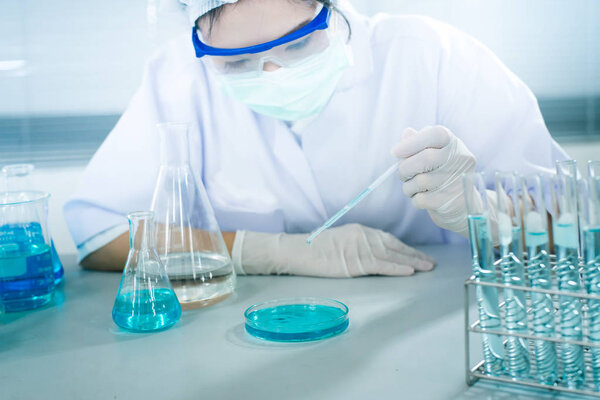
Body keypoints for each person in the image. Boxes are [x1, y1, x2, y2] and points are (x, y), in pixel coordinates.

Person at [64, 0, 568, 277]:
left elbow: (569, 225)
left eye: (301, 41)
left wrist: (487, 212)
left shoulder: (431, 56)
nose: (274, 71)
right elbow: (100, 236)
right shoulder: (178, 75)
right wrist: (268, 253)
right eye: (238, 61)